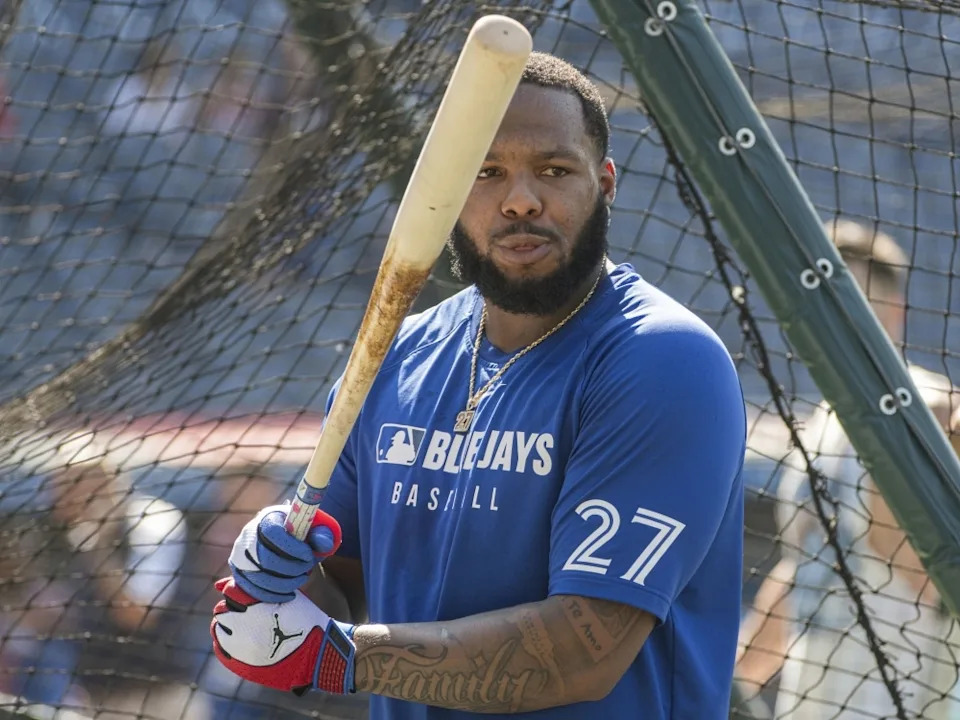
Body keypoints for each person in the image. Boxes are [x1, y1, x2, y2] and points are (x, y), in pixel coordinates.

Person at [210, 52, 747, 719]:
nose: (520, 198)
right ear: (451, 194)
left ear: (605, 184)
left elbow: (586, 650)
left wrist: (338, 656)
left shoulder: (663, 360)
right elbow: (341, 594)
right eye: (487, 172)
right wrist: (279, 586)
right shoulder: (394, 355)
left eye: (553, 169)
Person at [735, 219, 960, 718]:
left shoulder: (930, 406)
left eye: (850, 301)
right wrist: (737, 678)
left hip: (903, 695)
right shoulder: (822, 423)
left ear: (894, 313)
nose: (833, 319)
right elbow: (804, 565)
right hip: (809, 700)